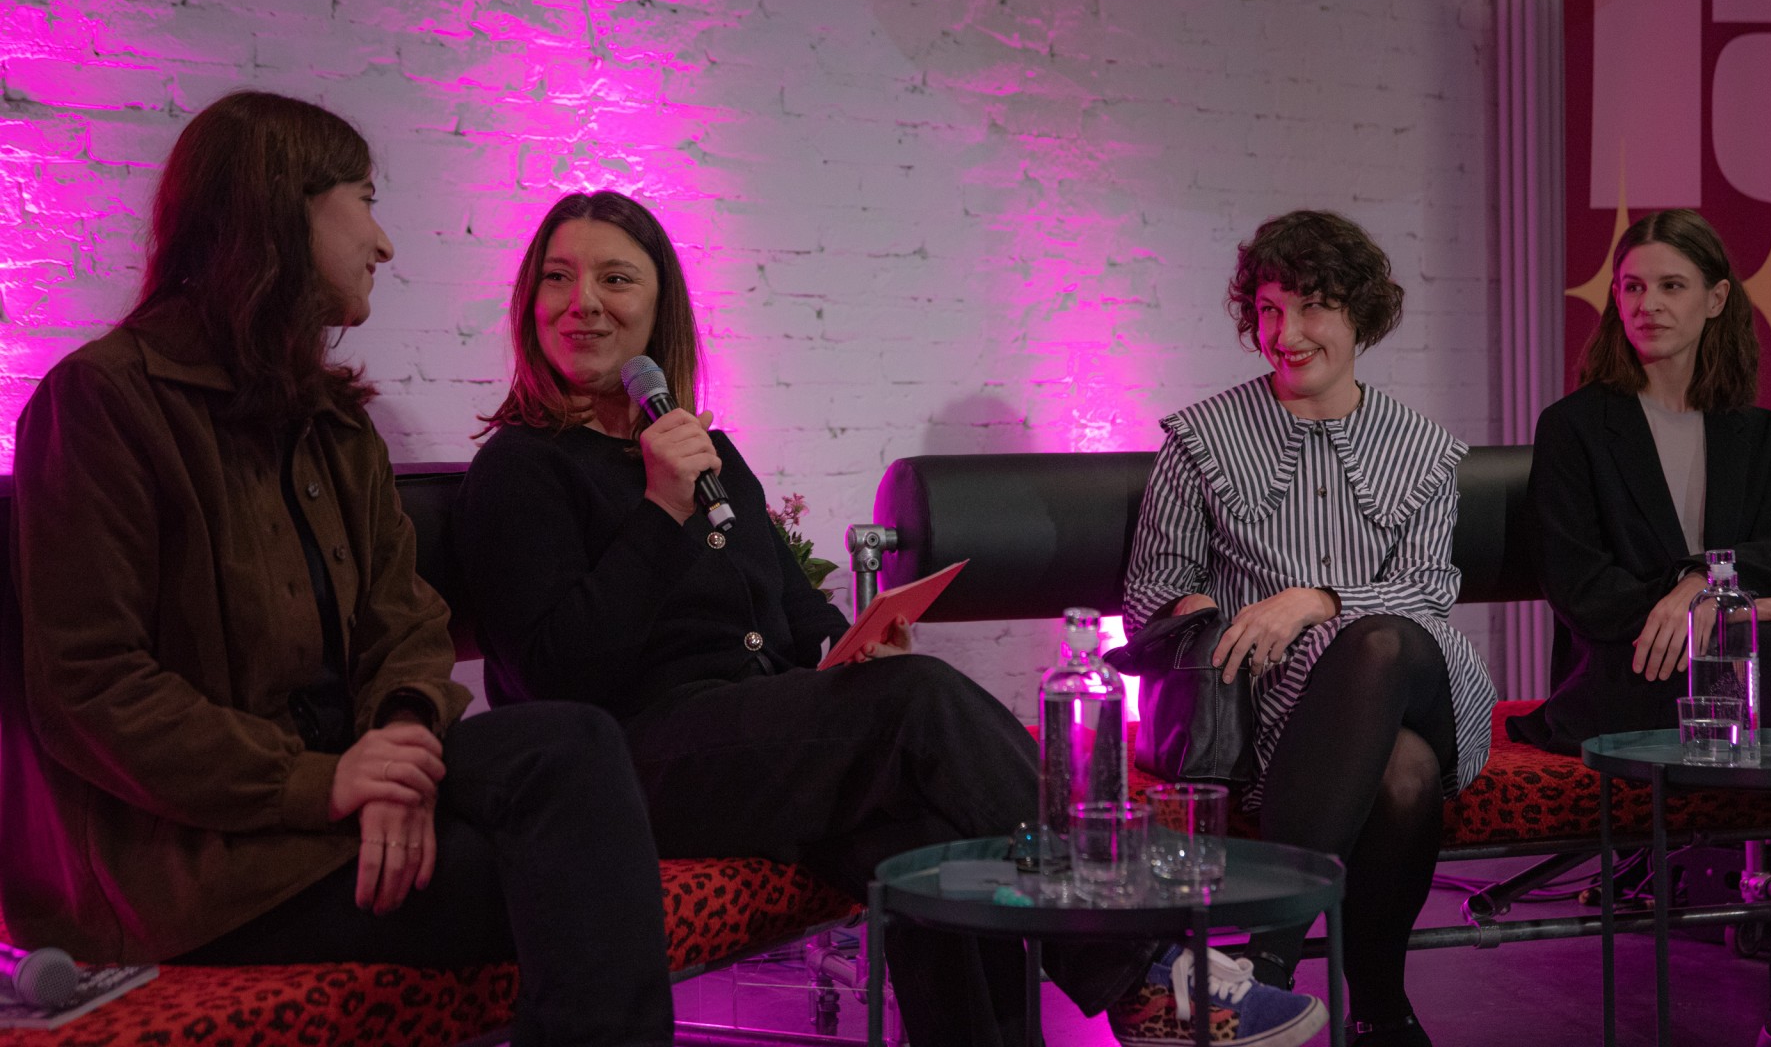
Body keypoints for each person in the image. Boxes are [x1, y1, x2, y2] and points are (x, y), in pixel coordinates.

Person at [453, 189, 1327, 1047]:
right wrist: (657, 512)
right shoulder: (520, 469)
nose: (583, 303)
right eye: (559, 278)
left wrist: (850, 646)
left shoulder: (703, 452)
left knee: (934, 849)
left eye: (615, 279)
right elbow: (554, 672)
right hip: (624, 768)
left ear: (658, 310)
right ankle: (1146, 970)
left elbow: (788, 605)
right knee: (918, 701)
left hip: (756, 742)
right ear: (531, 302)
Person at [0, 92, 674, 1046]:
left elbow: (408, 622)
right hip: (200, 866)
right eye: (364, 199)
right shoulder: (103, 402)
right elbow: (91, 689)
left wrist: (399, 738)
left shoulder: (334, 422)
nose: (384, 242)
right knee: (575, 877)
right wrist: (323, 784)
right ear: (282, 210)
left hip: (343, 786)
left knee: (572, 748)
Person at [1509, 207, 1771, 1047]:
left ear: (1717, 299)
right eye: (1632, 287)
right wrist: (1722, 602)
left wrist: (1707, 590)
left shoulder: (1755, 431)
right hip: (1631, 673)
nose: (1648, 304)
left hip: (1736, 671)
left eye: (1671, 286)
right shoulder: (1574, 426)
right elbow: (1581, 587)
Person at [1124, 209, 1499, 1047]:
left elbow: (1427, 592)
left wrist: (1317, 600)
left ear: (1360, 314)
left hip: (1423, 675)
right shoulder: (1201, 441)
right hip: (1280, 720)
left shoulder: (1422, 450)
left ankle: (1265, 967)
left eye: (1312, 307)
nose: (1285, 334)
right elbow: (1152, 597)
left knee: (1383, 641)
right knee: (1403, 770)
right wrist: (1204, 614)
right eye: (1268, 309)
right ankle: (1382, 1011)